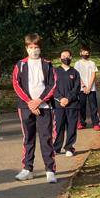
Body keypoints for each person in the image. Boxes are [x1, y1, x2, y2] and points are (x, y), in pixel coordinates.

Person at [11, 33, 58, 183]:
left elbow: (53, 85)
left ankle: (50, 170)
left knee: (46, 138)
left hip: (44, 106)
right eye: (30, 47)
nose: (34, 50)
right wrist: (30, 102)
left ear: (40, 48)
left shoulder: (47, 64)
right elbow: (16, 84)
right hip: (25, 107)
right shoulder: (20, 65)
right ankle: (27, 168)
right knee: (28, 138)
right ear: (26, 48)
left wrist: (39, 101)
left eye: (36, 47)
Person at [53, 49, 81, 156]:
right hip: (58, 105)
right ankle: (57, 147)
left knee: (71, 127)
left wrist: (68, 99)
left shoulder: (75, 73)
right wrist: (60, 99)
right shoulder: (55, 72)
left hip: (72, 105)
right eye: (63, 56)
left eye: (68, 56)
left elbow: (76, 88)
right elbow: (52, 87)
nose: (65, 58)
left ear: (71, 58)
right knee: (59, 126)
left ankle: (69, 147)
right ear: (60, 58)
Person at [74, 47, 100, 131]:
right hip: (81, 89)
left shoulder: (92, 63)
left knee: (93, 106)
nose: (85, 54)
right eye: (84, 52)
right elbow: (77, 76)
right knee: (81, 106)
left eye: (87, 53)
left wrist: (89, 87)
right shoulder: (77, 63)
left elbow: (93, 75)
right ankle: (81, 123)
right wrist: (84, 86)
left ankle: (96, 123)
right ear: (80, 53)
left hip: (91, 88)